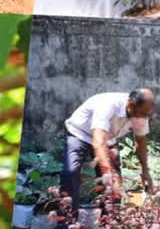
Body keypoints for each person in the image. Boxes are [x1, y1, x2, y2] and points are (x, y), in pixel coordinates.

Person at [58, 89, 154, 221]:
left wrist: (145, 170)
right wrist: (107, 173)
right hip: (80, 133)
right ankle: (66, 219)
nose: (143, 118)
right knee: (71, 172)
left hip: (108, 137)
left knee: (115, 183)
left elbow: (141, 140)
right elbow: (98, 142)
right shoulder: (108, 105)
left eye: (146, 114)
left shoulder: (141, 112)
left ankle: (109, 219)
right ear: (130, 106)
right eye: (141, 114)